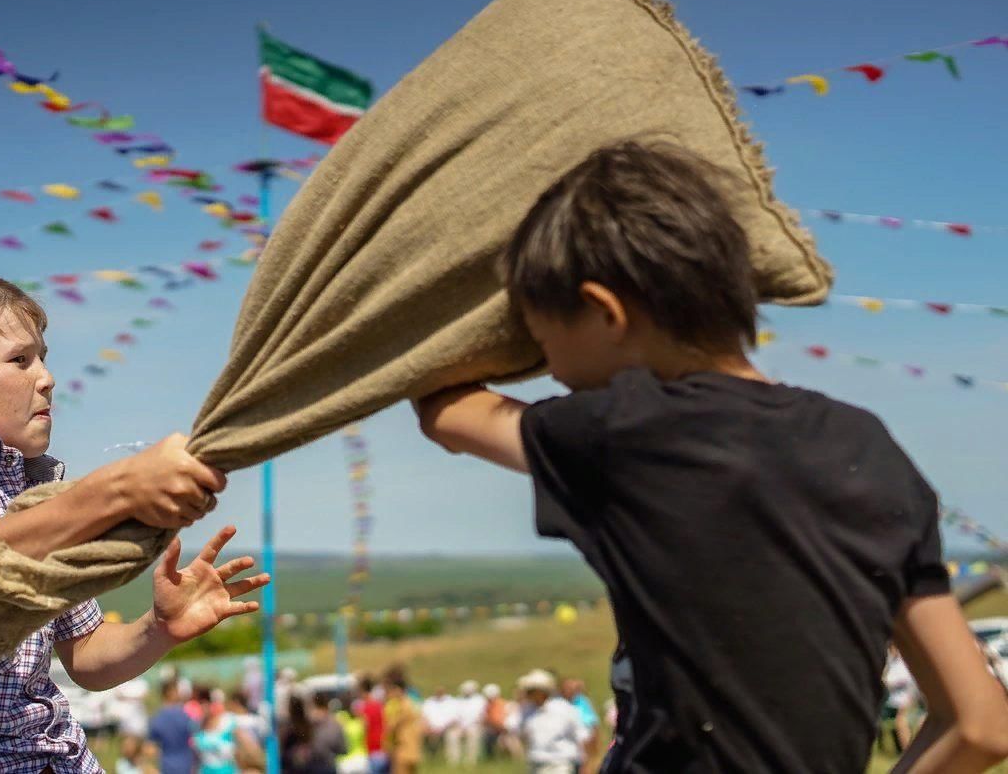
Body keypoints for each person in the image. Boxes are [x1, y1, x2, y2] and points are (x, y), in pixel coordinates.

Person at [413, 143, 1008, 770]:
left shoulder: (624, 433)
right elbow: (982, 724)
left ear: (607, 312)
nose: (551, 375)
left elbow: (447, 411)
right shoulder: (869, 447)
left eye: (540, 344)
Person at [0, 274, 271, 772]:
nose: (46, 377)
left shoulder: (28, 492)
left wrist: (160, 628)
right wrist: (119, 489)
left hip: (51, 756)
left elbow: (87, 658)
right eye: (20, 359)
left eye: (44, 357)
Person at [518, 672, 586, 774]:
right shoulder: (527, 711)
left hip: (560, 764)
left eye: (531, 690)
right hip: (535, 764)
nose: (527, 694)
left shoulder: (564, 709)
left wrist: (584, 764)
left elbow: (581, 736)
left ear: (541, 692)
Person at [149, 678, 199, 774]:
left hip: (166, 764)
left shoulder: (156, 718)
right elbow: (196, 738)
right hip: (186, 763)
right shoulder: (186, 715)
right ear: (171, 693)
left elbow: (150, 748)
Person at [383, 673, 423, 774]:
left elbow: (392, 727)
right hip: (413, 750)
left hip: (403, 749)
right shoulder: (411, 703)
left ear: (398, 689)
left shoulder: (403, 706)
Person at [558, 679, 599, 774]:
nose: (571, 690)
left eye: (574, 688)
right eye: (568, 688)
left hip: (583, 742)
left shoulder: (582, 702)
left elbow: (592, 722)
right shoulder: (556, 705)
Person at [193, 698, 239, 774]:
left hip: (225, 769)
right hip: (208, 769)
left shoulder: (225, 732)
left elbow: (230, 752)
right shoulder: (200, 737)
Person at [355, 675, 388, 774]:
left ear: (361, 690)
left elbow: (362, 729)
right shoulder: (380, 706)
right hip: (382, 750)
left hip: (370, 752)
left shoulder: (363, 708)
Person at [454, 680, 486, 766]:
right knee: (451, 736)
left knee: (473, 736)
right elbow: (456, 715)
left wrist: (468, 726)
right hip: (460, 726)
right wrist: (460, 725)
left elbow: (480, 715)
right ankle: (454, 760)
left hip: (474, 726)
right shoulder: (459, 699)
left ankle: (470, 761)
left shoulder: (480, 700)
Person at [420, 686, 456, 761]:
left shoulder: (451, 702)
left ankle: (451, 759)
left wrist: (442, 729)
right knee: (419, 733)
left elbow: (453, 718)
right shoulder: (429, 702)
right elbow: (424, 716)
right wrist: (428, 727)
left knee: (452, 734)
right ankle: (424, 758)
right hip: (430, 728)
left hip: (446, 728)